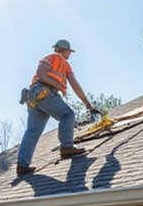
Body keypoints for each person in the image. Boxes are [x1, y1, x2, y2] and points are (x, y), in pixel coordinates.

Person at [16, 39, 101, 176]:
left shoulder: (57, 62)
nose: (70, 55)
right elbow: (41, 74)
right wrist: (56, 85)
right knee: (67, 115)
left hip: (34, 97)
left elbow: (74, 85)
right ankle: (66, 147)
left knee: (32, 131)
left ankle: (22, 165)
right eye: (69, 52)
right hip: (43, 92)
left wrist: (88, 105)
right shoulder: (56, 58)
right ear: (65, 50)